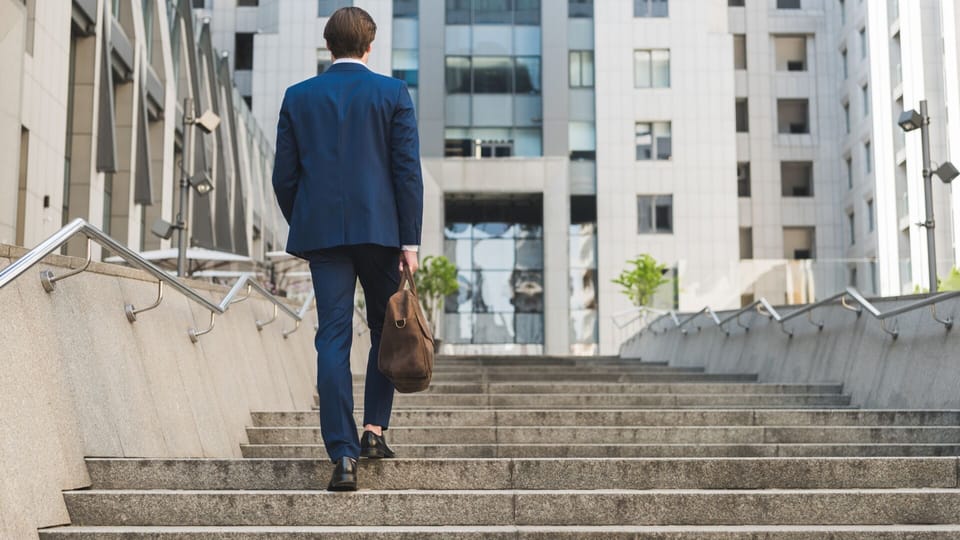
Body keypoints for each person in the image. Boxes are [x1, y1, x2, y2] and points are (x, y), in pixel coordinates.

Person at [271, 6, 423, 492]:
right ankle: (374, 429)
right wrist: (410, 241)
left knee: (332, 338)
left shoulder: (298, 97)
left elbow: (283, 178)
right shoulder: (393, 93)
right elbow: (406, 173)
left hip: (325, 238)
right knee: (386, 327)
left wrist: (309, 221)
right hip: (381, 233)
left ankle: (342, 453)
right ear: (369, 45)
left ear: (328, 45)